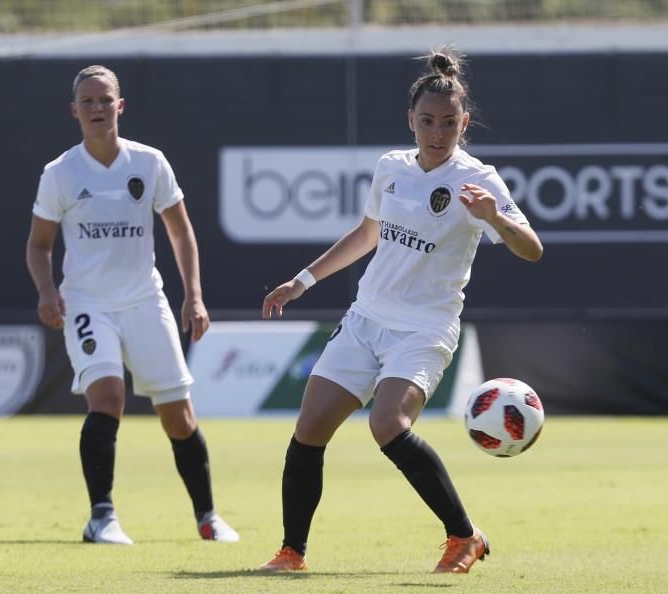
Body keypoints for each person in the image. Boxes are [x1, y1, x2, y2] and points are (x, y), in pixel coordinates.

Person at [257, 48, 543, 573]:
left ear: (465, 122)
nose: (438, 132)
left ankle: (464, 538)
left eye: (450, 123)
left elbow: (532, 248)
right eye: (428, 121)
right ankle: (291, 553)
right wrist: (302, 281)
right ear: (411, 120)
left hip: (425, 329)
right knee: (309, 428)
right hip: (366, 319)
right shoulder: (391, 167)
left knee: (387, 422)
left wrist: (494, 219)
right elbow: (367, 234)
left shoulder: (477, 179)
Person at [26, 65, 239, 545]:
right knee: (108, 397)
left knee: (179, 416)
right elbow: (39, 245)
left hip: (146, 300)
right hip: (87, 305)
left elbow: (180, 230)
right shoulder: (60, 174)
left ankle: (208, 517)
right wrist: (47, 291)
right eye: (88, 102)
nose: (97, 109)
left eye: (106, 100)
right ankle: (101, 517)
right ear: (74, 111)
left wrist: (195, 296)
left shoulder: (150, 163)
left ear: (120, 106)